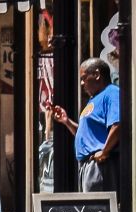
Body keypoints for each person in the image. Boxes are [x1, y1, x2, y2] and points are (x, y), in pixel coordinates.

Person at [50, 57, 121, 191]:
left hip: (99, 165)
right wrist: (67, 121)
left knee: (96, 209)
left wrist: (104, 152)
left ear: (97, 75)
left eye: (84, 78)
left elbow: (117, 125)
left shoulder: (111, 93)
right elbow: (87, 135)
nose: (82, 84)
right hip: (87, 165)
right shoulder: (94, 99)